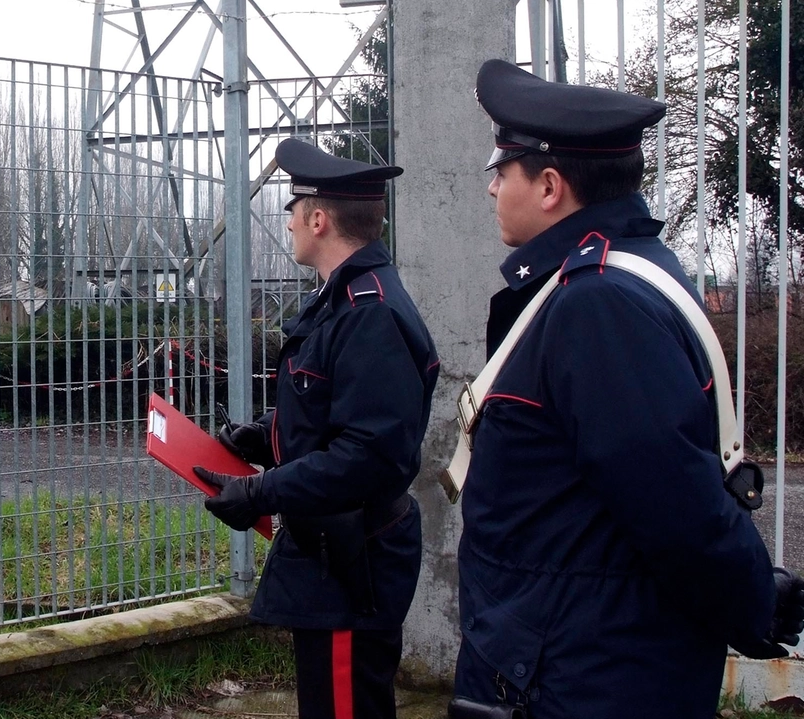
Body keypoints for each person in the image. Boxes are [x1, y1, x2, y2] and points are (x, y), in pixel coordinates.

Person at [452, 59, 804, 718]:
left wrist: (754, 599)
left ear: (550, 185)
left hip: (582, 680)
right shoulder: (605, 280)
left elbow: (677, 506)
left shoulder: (597, 306)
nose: (492, 187)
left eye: (503, 171)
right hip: (577, 662)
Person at [193, 138, 439, 719]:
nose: (288, 220)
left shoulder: (368, 311)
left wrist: (262, 491)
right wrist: (265, 436)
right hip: (335, 553)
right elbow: (335, 408)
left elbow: (368, 454)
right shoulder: (343, 299)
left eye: (294, 207)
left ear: (320, 219)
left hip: (352, 565)